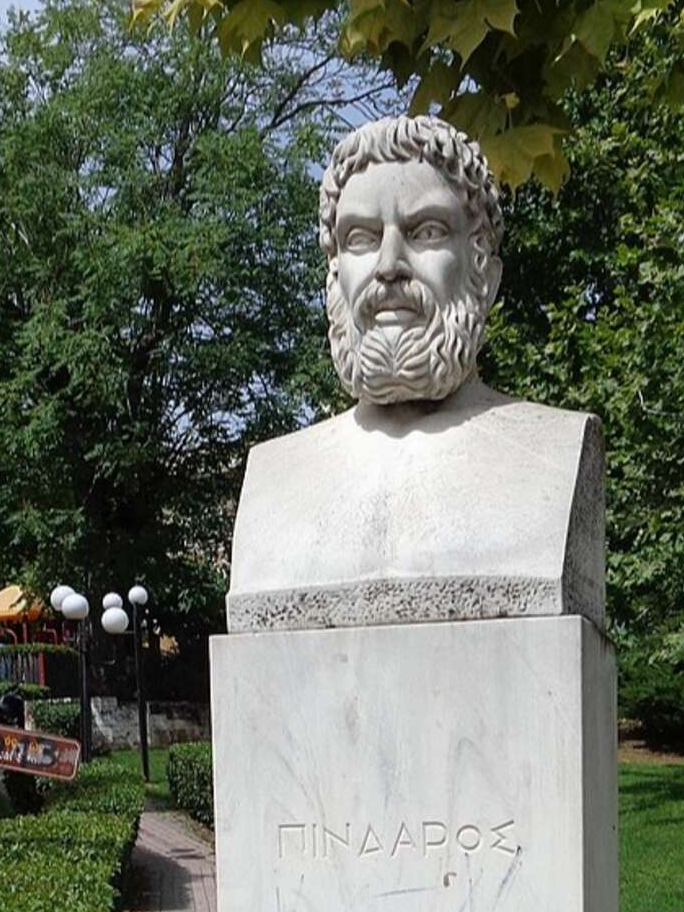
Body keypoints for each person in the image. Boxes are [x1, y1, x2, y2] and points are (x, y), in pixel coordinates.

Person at [226, 114, 604, 633]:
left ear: (483, 274)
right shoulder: (274, 481)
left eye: (425, 231)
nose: (388, 266)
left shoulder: (551, 454)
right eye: (359, 238)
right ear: (334, 276)